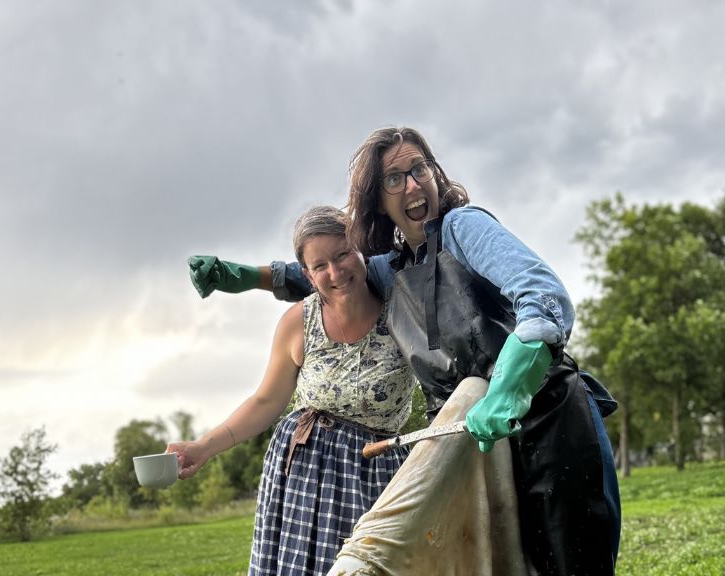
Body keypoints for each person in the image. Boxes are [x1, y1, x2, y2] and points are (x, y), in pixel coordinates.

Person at [190, 126, 621, 576]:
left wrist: (509, 386)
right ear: (378, 199)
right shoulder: (393, 268)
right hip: (467, 442)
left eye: (420, 169)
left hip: (544, 422)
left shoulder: (462, 227)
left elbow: (544, 297)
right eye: (395, 179)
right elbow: (327, 273)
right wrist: (240, 276)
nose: (413, 185)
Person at [171, 205, 418, 576]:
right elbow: (266, 401)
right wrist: (203, 447)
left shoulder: (405, 309)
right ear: (307, 274)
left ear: (361, 250)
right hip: (303, 469)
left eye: (342, 254)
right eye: (320, 266)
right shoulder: (298, 322)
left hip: (376, 472)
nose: (335, 273)